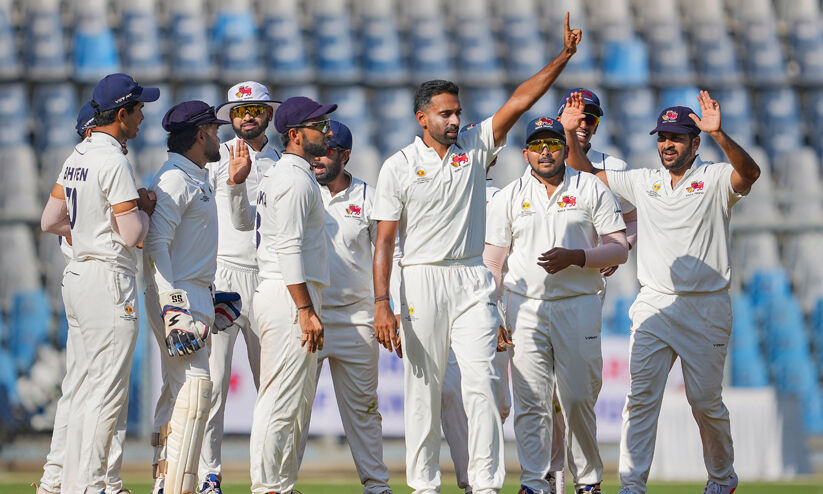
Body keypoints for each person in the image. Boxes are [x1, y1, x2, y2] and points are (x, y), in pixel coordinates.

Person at [371, 13, 582, 494]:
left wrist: (563, 58)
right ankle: (424, 485)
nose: (454, 120)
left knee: (483, 383)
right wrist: (382, 302)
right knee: (423, 391)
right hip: (419, 278)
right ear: (422, 117)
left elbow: (519, 101)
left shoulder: (474, 146)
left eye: (457, 112)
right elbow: (384, 241)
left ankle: (485, 484)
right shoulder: (398, 166)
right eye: (444, 113)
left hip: (470, 277)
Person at [561, 91, 761, 494]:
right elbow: (587, 175)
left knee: (705, 404)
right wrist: (567, 134)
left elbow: (750, 174)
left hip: (705, 307)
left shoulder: (716, 178)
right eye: (662, 137)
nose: (667, 145)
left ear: (695, 142)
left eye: (677, 138)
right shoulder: (644, 181)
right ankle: (632, 485)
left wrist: (720, 134)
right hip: (654, 303)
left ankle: (722, 480)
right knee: (640, 400)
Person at [484, 116, 629, 494]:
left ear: (566, 149)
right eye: (537, 145)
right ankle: (535, 481)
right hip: (524, 306)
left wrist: (578, 256)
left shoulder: (591, 190)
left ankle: (588, 480)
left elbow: (618, 247)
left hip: (578, 303)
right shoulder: (508, 196)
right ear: (525, 153)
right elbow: (493, 263)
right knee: (531, 399)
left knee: (578, 397)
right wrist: (490, 309)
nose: (545, 152)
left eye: (552, 144)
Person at [39, 73, 159, 494]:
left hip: (76, 276)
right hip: (109, 279)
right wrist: (144, 207)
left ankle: (55, 481)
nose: (143, 117)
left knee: (78, 386)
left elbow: (50, 221)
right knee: (105, 392)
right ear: (121, 113)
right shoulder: (112, 160)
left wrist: (87, 227)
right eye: (139, 109)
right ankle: (89, 485)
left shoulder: (77, 155)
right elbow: (132, 235)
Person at [290, 119, 394, 494]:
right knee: (295, 409)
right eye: (314, 151)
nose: (316, 159)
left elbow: (388, 255)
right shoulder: (301, 190)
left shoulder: (369, 198)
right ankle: (282, 485)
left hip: (357, 318)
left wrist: (387, 306)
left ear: (345, 155)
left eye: (326, 152)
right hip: (310, 316)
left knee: (364, 410)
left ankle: (377, 486)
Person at [245, 96, 336, 494]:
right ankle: (267, 486)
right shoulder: (295, 179)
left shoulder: (288, 175)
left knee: (293, 400)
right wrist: (305, 308)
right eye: (320, 125)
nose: (328, 132)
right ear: (296, 134)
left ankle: (279, 483)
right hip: (288, 295)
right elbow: (289, 248)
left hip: (288, 293)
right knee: (279, 398)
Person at [143, 101, 232, 494]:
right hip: (176, 295)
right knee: (196, 390)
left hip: (193, 291)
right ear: (200, 134)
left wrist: (211, 296)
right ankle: (175, 488)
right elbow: (156, 245)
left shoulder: (195, 176)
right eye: (215, 130)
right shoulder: (175, 179)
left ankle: (166, 481)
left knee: (177, 392)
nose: (220, 137)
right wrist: (173, 307)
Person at [199, 81, 281, 494]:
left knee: (271, 388)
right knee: (211, 384)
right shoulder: (214, 159)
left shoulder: (286, 162)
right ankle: (207, 475)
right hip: (223, 278)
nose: (246, 117)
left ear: (268, 113)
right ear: (230, 117)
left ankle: (267, 480)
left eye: (254, 110)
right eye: (238, 111)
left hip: (269, 279)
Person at [437, 124, 512, 494]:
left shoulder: (502, 198)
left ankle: (540, 478)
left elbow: (507, 262)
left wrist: (498, 311)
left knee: (496, 402)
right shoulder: (438, 192)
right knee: (451, 396)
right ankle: (473, 483)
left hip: (490, 307)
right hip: (444, 304)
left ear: (491, 157)